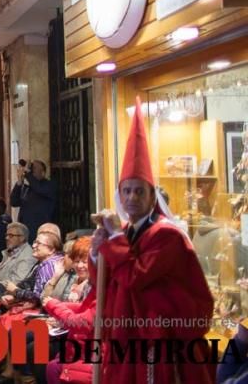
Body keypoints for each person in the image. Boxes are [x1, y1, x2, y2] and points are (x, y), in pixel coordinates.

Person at [91, 98, 214, 383]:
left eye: (139, 191)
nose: (132, 198)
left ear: (152, 196)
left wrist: (115, 238)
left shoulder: (166, 235)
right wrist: (98, 253)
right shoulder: (125, 231)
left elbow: (136, 276)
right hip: (126, 333)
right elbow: (107, 283)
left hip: (159, 341)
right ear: (119, 195)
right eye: (127, 191)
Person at [11, 159, 57, 240]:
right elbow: (14, 202)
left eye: (34, 168)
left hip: (39, 231)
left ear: (43, 173)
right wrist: (19, 183)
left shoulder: (49, 185)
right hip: (25, 232)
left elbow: (39, 189)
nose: (31, 171)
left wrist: (28, 174)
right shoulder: (28, 188)